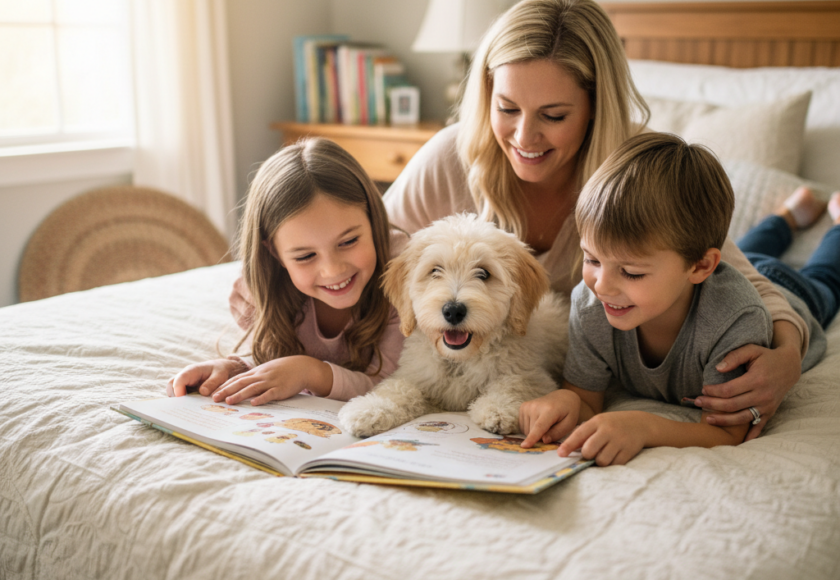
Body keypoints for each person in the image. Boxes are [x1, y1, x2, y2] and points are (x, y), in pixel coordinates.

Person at [229, 0, 808, 438]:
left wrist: (786, 357)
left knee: (781, 267)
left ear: (595, 107)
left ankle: (794, 217)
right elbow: (360, 251)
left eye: (553, 115)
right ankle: (786, 217)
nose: (524, 137)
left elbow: (741, 280)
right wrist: (261, 299)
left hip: (730, 284)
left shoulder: (633, 176)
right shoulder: (450, 156)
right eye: (507, 108)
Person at [517, 133, 831, 466]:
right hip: (723, 274)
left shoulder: (733, 321)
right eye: (592, 259)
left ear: (701, 266)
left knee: (824, 278)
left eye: (631, 272)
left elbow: (727, 432)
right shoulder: (589, 304)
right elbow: (585, 399)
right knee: (750, 251)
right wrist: (565, 401)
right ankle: (786, 217)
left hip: (790, 291)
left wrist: (644, 427)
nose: (601, 286)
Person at [168, 138, 405, 406]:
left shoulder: (404, 277)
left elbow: (389, 385)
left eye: (348, 241)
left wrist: (311, 372)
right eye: (305, 256)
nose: (332, 270)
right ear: (275, 254)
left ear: (373, 220)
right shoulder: (266, 288)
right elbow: (277, 361)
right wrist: (234, 369)